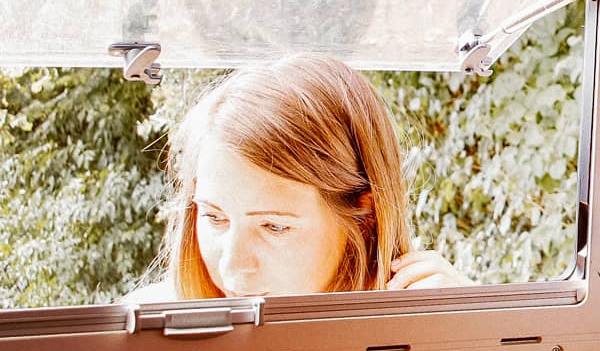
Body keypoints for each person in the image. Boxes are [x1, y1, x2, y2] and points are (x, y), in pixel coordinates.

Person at [127, 54, 469, 301]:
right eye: (215, 218)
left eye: (274, 227)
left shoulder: (439, 330)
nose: (233, 267)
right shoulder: (143, 335)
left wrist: (477, 331)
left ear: (365, 216)